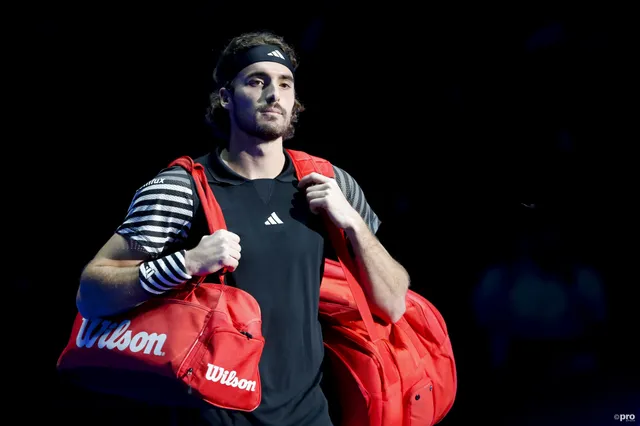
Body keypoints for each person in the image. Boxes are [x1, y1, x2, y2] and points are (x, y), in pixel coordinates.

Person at [74, 31, 410, 426]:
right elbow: (91, 294)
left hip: (311, 417)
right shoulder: (182, 188)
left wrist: (353, 221)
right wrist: (185, 263)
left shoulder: (329, 183)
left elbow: (393, 303)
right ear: (226, 97)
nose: (274, 94)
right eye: (256, 81)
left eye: (285, 84)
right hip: (212, 415)